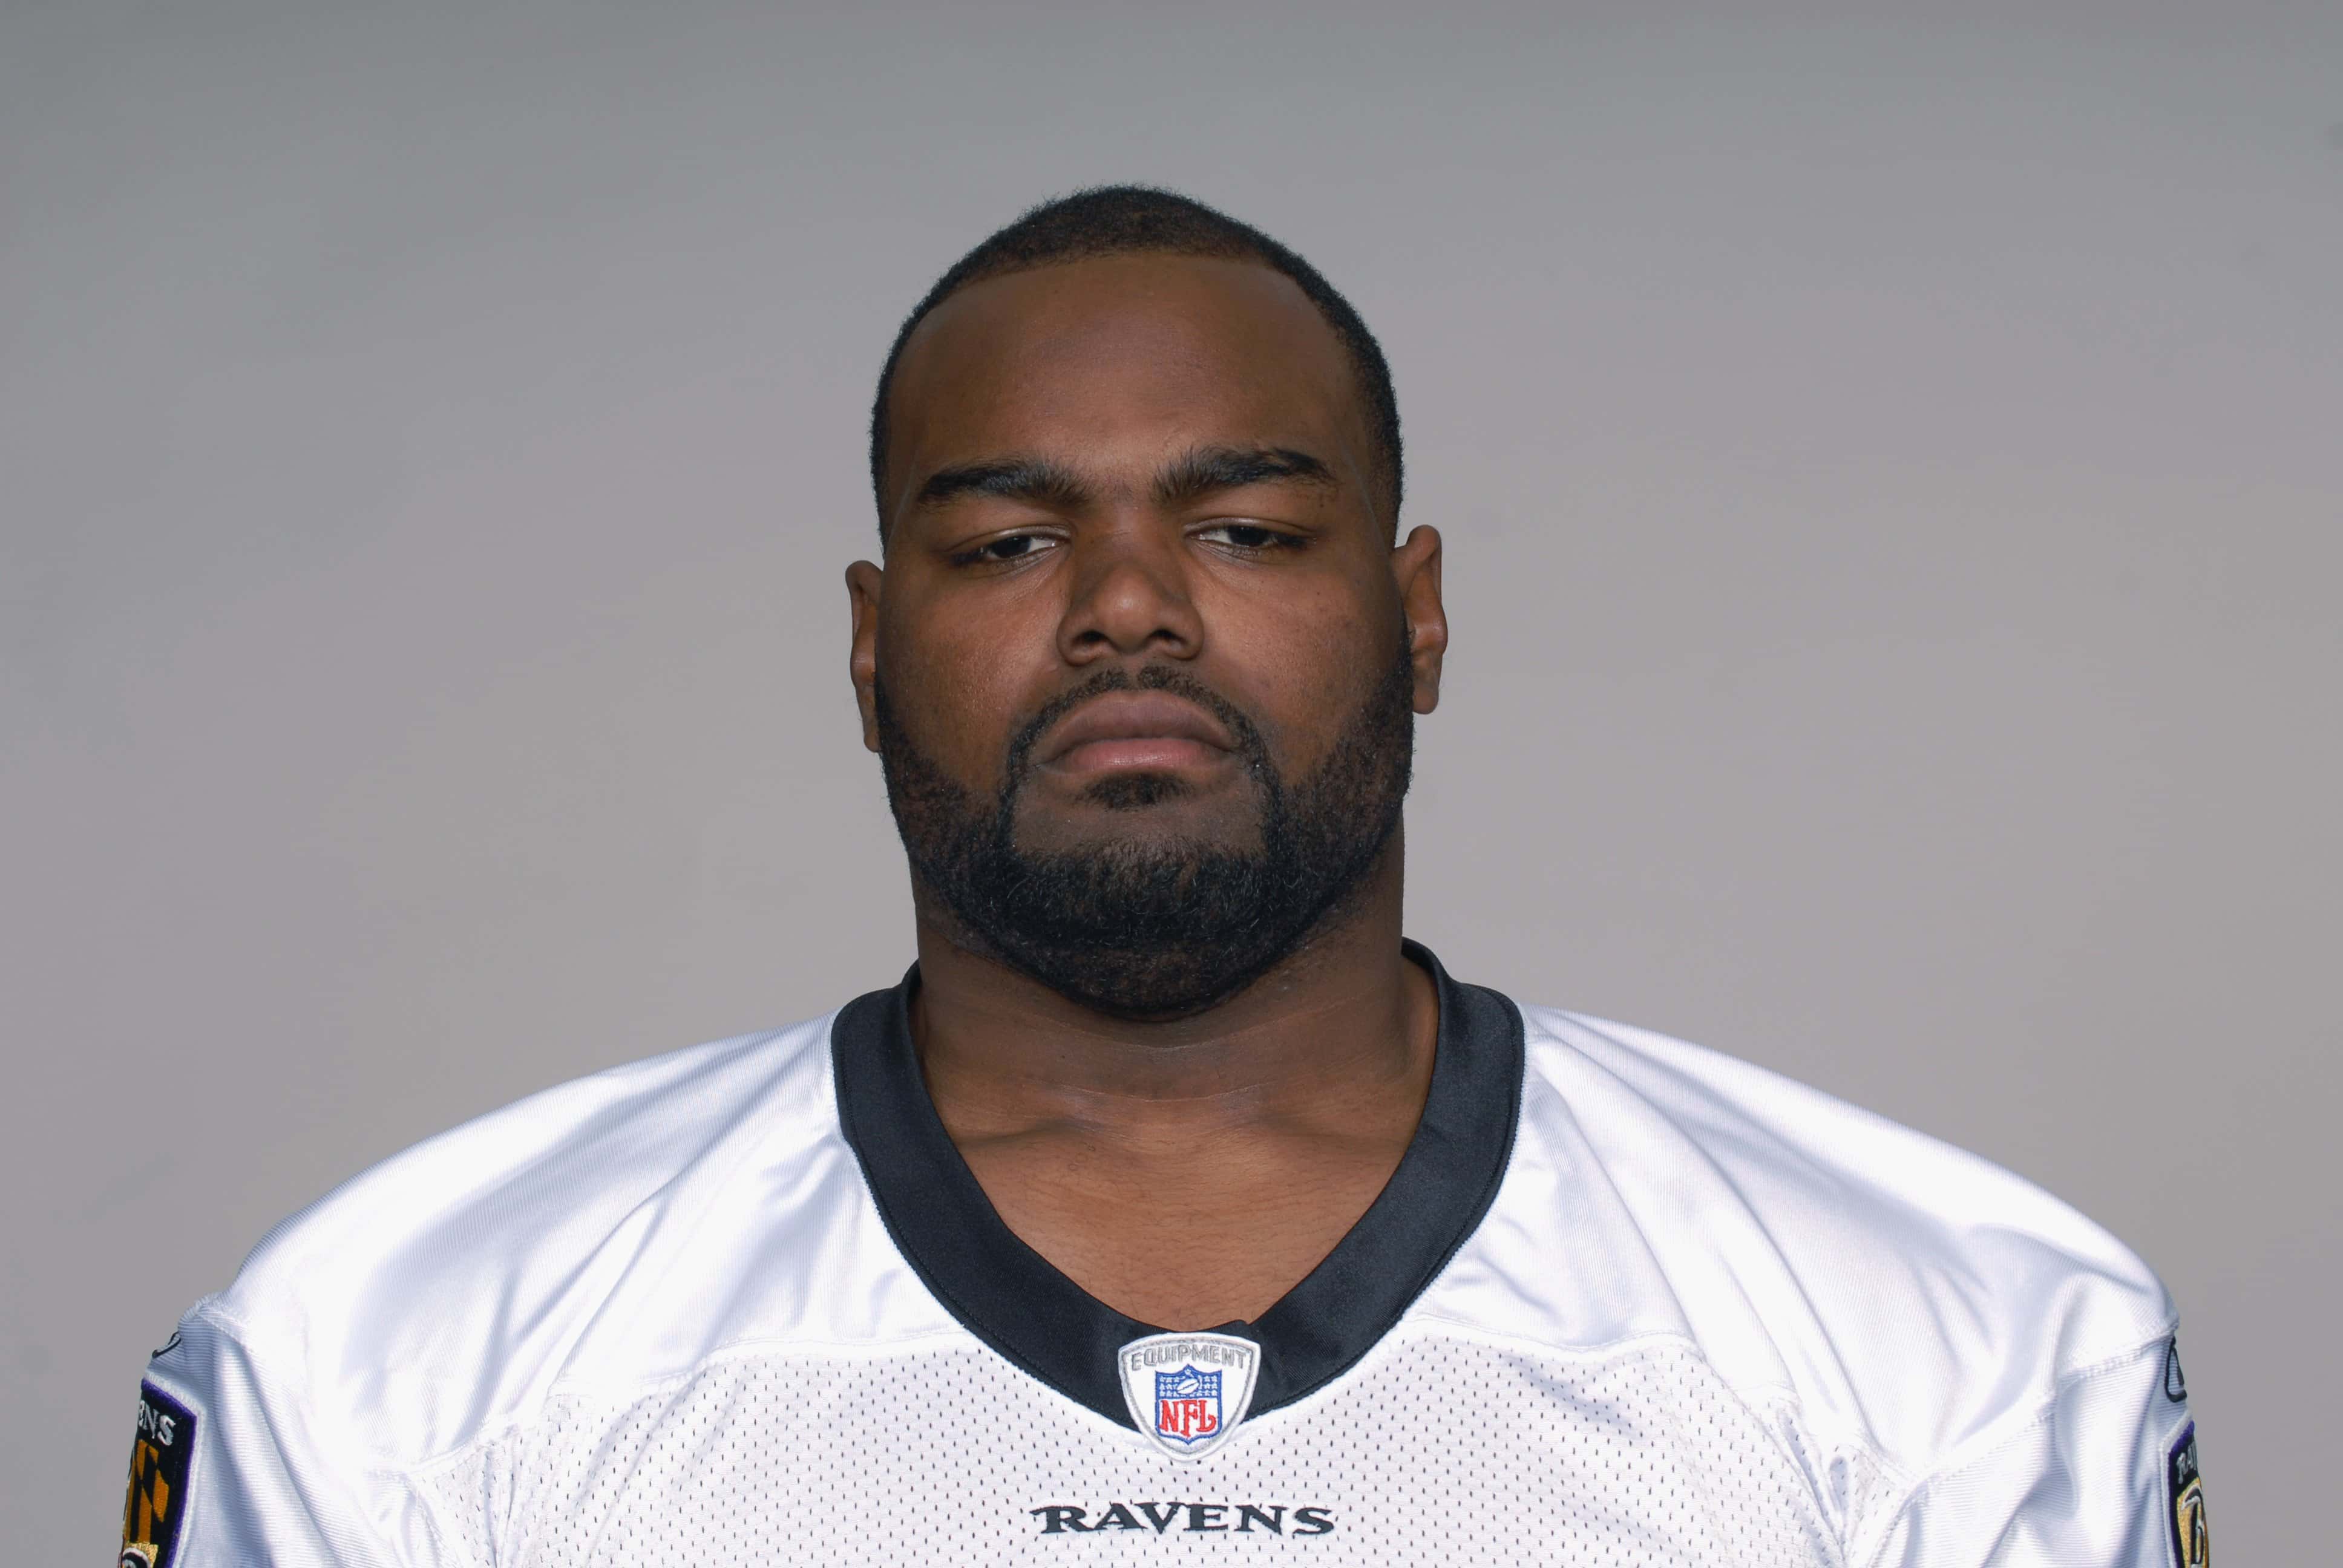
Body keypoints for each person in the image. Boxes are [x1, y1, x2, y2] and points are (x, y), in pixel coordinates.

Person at [116, 187, 2207, 1567]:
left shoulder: (1963, 1341)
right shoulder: (397, 1359)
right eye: (1012, 542)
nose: (1127, 611)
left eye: (1248, 531)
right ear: (868, 645)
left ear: (1422, 614)